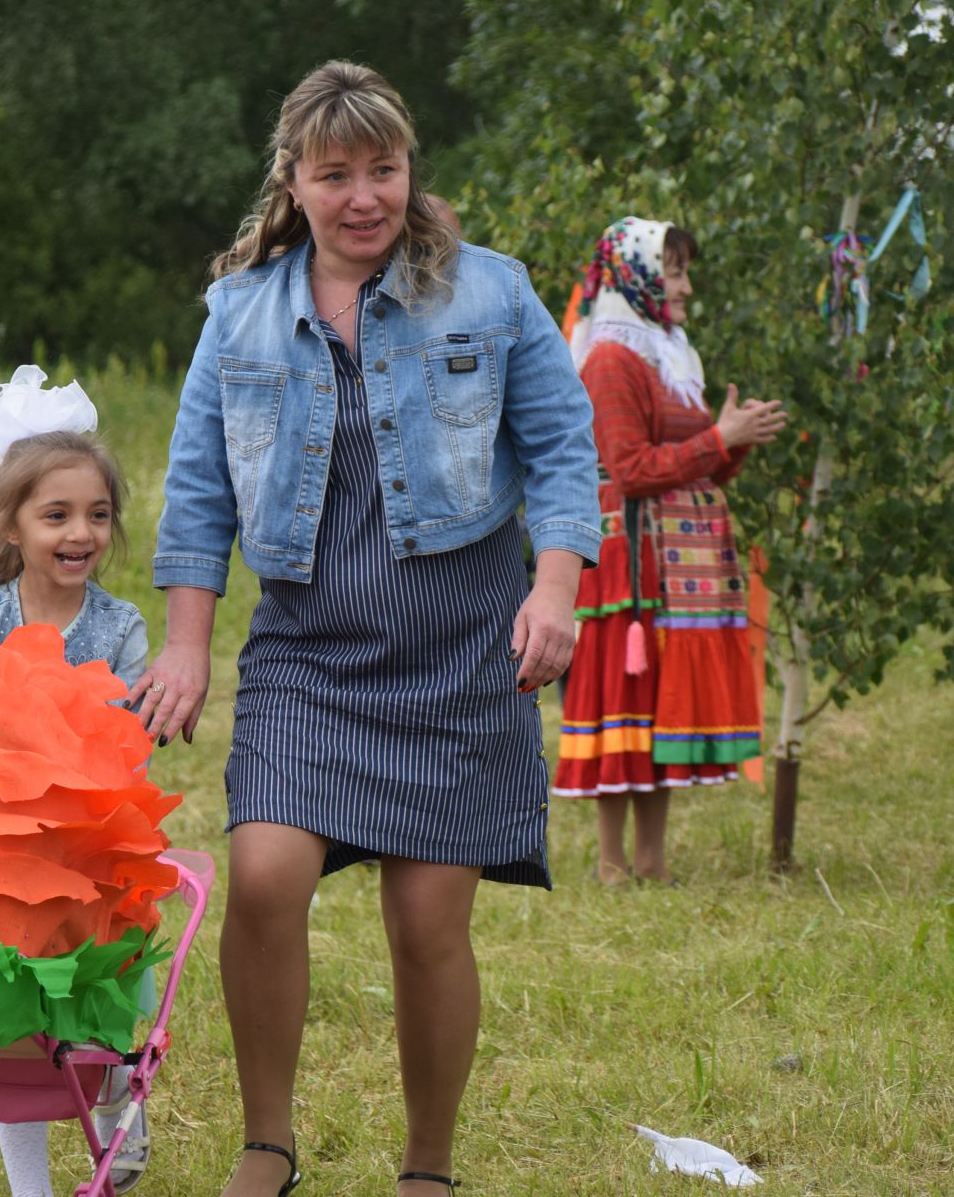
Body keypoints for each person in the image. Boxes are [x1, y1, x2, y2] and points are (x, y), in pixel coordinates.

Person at [129, 61, 603, 1197]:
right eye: (334, 173)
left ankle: (426, 1169)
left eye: (381, 170)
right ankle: (267, 1143)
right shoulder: (240, 312)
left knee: (428, 925)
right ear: (293, 181)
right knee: (263, 875)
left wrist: (555, 591)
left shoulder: (491, 294)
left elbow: (562, 453)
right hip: (310, 657)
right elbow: (197, 494)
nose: (362, 197)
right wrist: (188, 644)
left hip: (461, 658)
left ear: (407, 171)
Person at [0, 366, 153, 1195]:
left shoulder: (120, 627)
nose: (82, 532)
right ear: (13, 525)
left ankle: (118, 1105)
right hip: (2, 860)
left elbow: (134, 750)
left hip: (94, 857)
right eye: (58, 514)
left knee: (94, 1012)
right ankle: (29, 1189)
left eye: (98, 514)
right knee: (12, 1027)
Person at [551, 217, 786, 884]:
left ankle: (651, 863)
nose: (686, 286)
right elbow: (629, 467)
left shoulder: (669, 355)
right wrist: (718, 439)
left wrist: (731, 439)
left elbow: (694, 467)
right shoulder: (611, 359)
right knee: (625, 711)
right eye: (675, 271)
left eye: (684, 271)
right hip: (632, 569)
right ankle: (610, 864)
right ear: (639, 276)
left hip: (673, 565)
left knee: (656, 718)